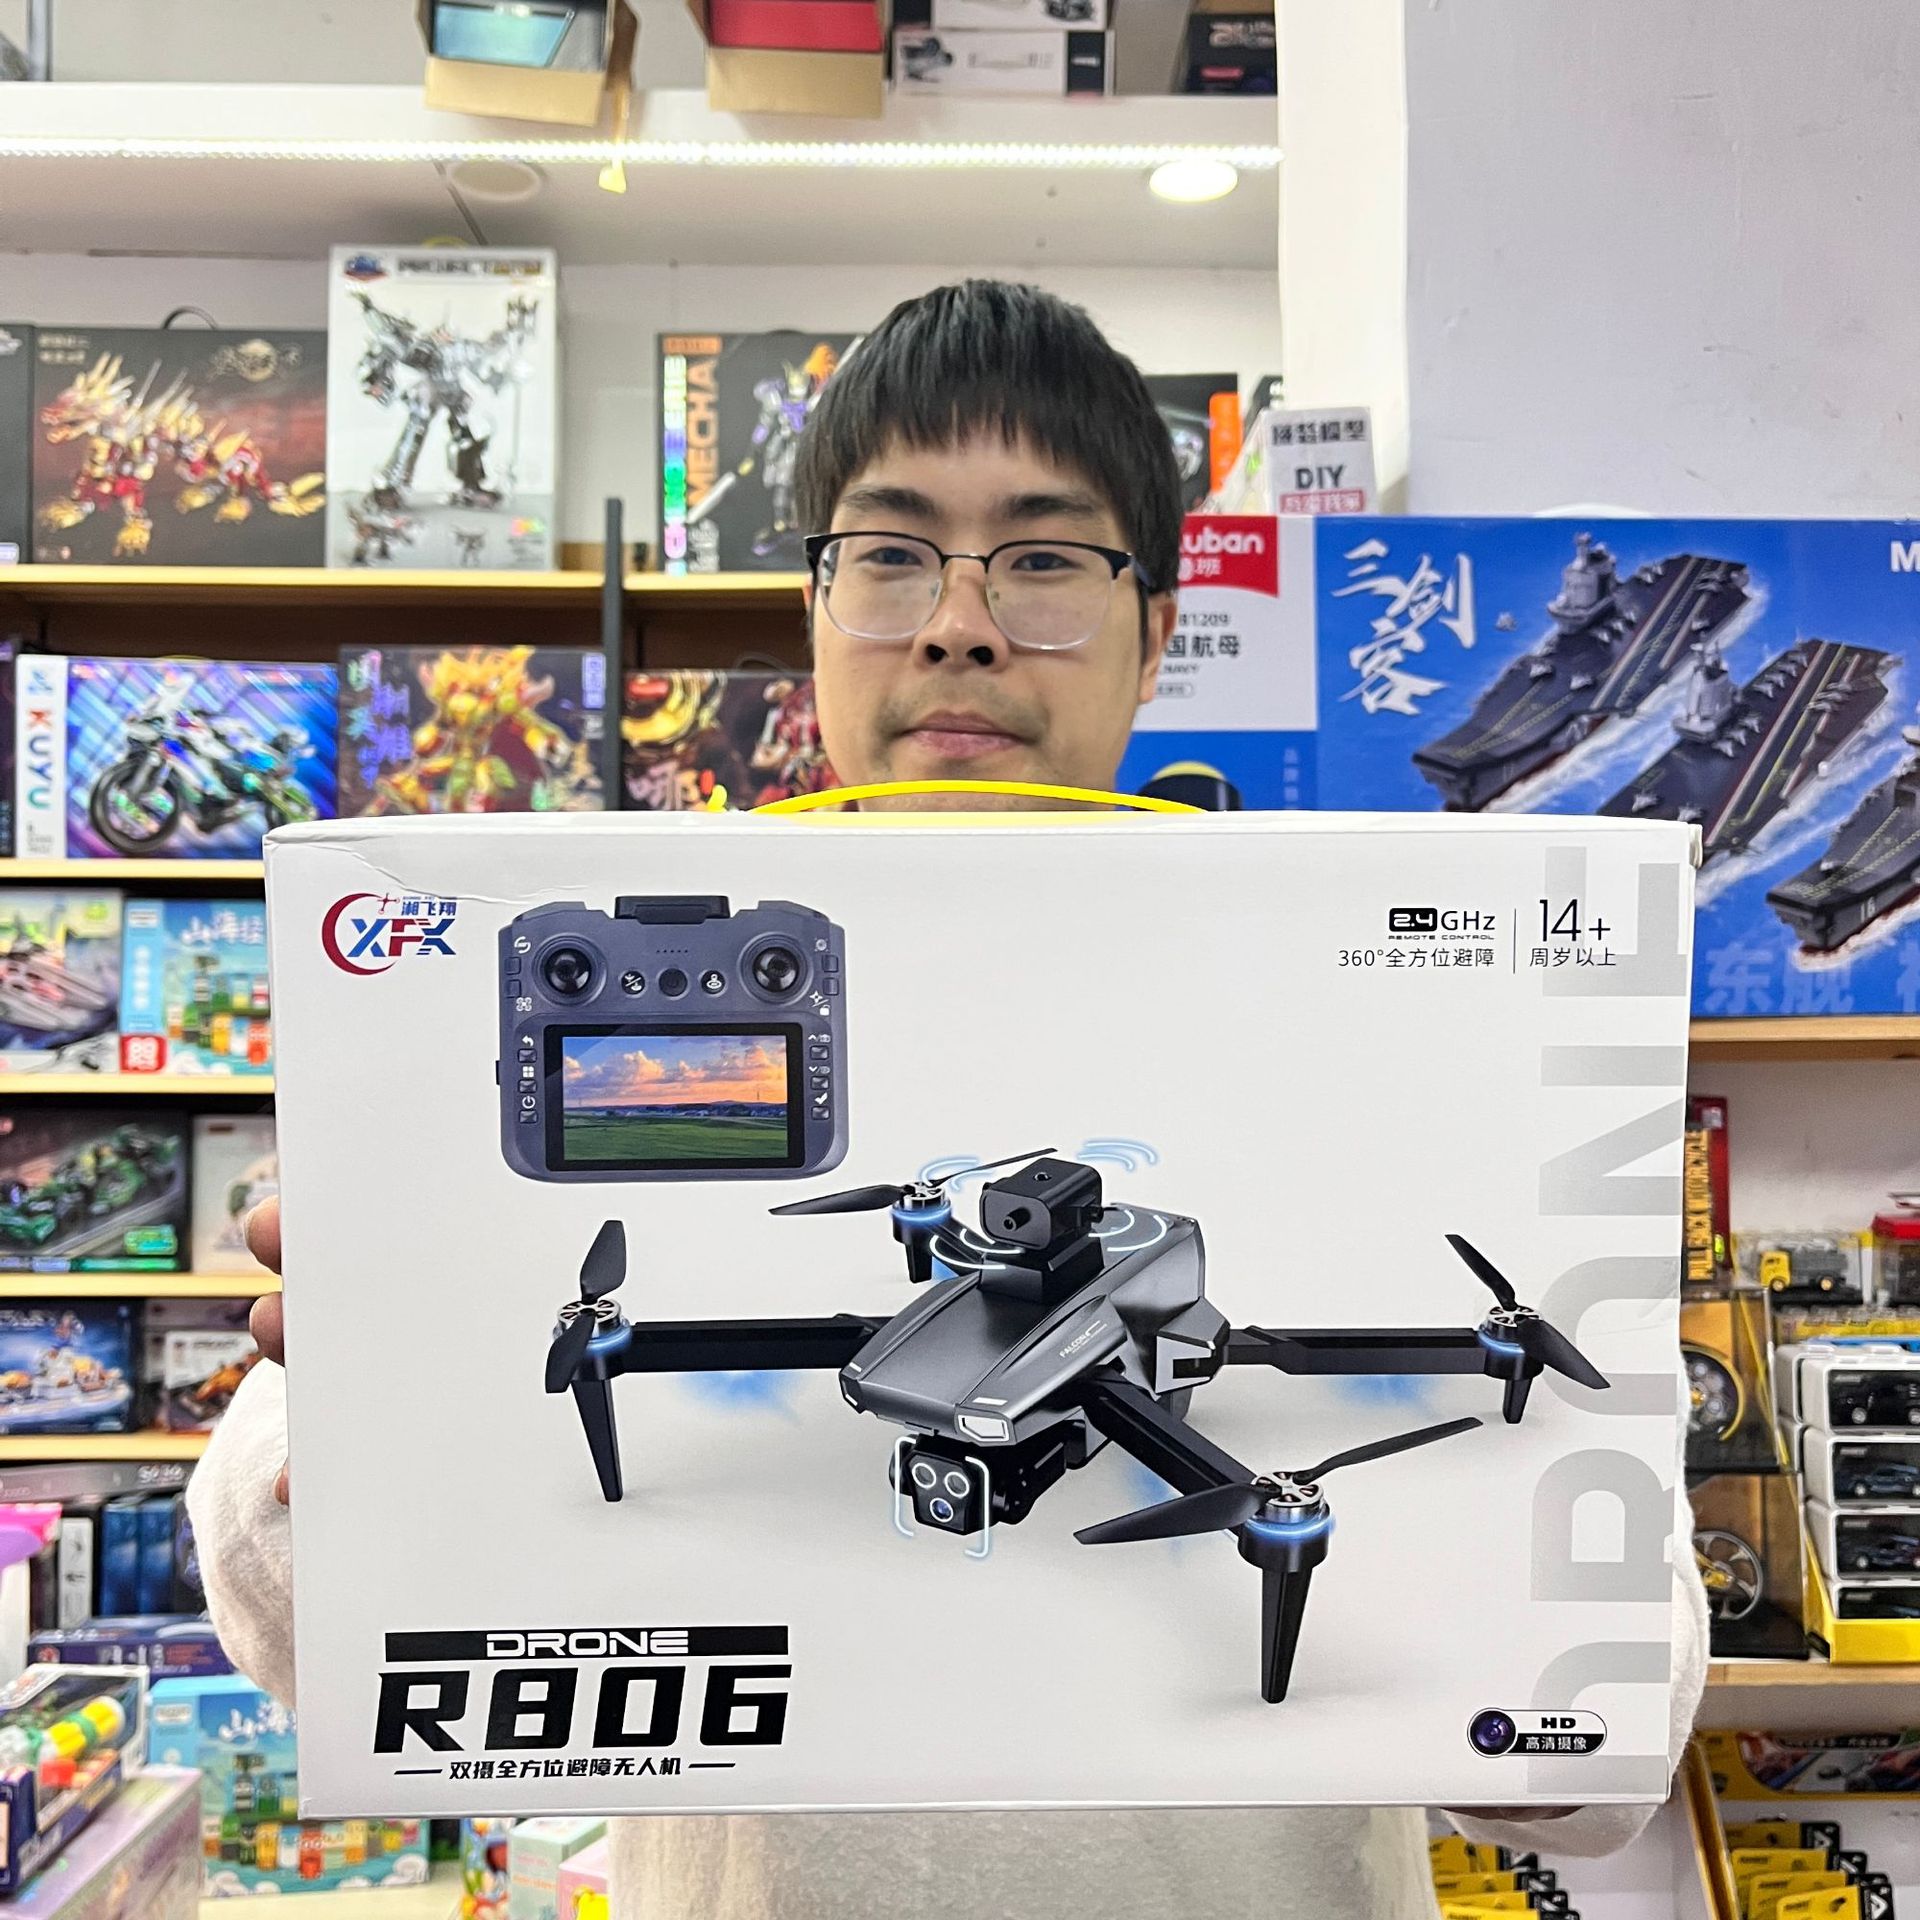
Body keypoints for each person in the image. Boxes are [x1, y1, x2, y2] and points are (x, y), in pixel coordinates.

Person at [190, 280, 1709, 1920]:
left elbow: (1586, 1771)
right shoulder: (580, 978)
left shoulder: (1369, 1011)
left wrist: (1569, 1543)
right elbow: (303, 1643)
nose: (960, 625)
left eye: (1044, 559)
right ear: (815, 609)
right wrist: (367, 1398)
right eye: (892, 553)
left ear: (1155, 628)